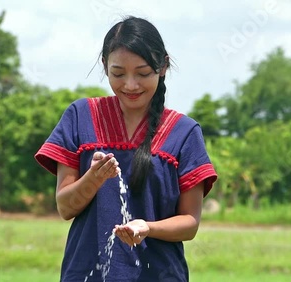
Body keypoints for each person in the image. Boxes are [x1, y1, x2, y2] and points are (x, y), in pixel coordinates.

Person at [35, 16, 217, 282]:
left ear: (163, 66)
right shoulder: (81, 116)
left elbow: (189, 223)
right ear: (104, 66)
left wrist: (147, 227)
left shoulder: (184, 131)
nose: (130, 85)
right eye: (118, 74)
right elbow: (65, 207)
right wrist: (94, 178)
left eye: (143, 73)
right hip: (86, 274)